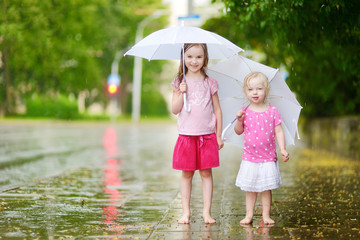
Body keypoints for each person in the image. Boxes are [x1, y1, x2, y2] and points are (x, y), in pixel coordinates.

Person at [171, 43, 224, 224]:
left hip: (207, 135)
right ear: (183, 58)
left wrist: (218, 135)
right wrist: (180, 93)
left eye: (199, 57)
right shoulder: (179, 82)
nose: (194, 61)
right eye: (190, 56)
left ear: (205, 58)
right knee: (187, 174)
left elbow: (217, 110)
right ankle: (186, 212)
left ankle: (206, 212)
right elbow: (174, 109)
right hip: (186, 135)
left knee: (206, 173)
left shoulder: (210, 83)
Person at [234, 72, 289, 225]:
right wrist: (239, 120)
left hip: (267, 157)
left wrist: (283, 149)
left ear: (266, 90)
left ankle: (266, 215)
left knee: (266, 188)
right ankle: (249, 215)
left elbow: (278, 131)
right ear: (246, 92)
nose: (255, 92)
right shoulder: (245, 111)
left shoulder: (272, 111)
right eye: (251, 89)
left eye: (259, 88)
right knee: (250, 188)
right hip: (250, 157)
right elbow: (238, 131)